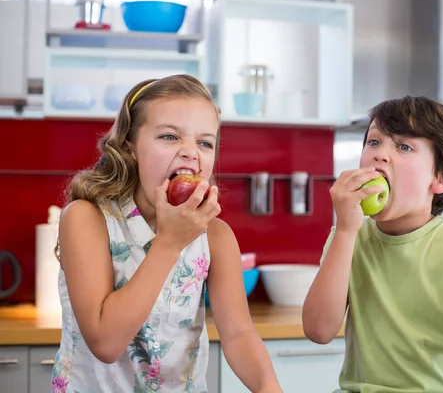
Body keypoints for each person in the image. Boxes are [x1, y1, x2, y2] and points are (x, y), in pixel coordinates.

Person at [51, 74, 282, 393]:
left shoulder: (215, 236)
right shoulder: (86, 219)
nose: (191, 152)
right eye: (170, 137)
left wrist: (270, 387)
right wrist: (170, 242)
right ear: (129, 147)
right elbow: (105, 343)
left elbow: (239, 334)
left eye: (204, 142)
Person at [302, 96, 443, 393]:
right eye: (374, 142)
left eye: (404, 146)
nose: (380, 155)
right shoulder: (349, 236)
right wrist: (344, 232)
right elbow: (318, 330)